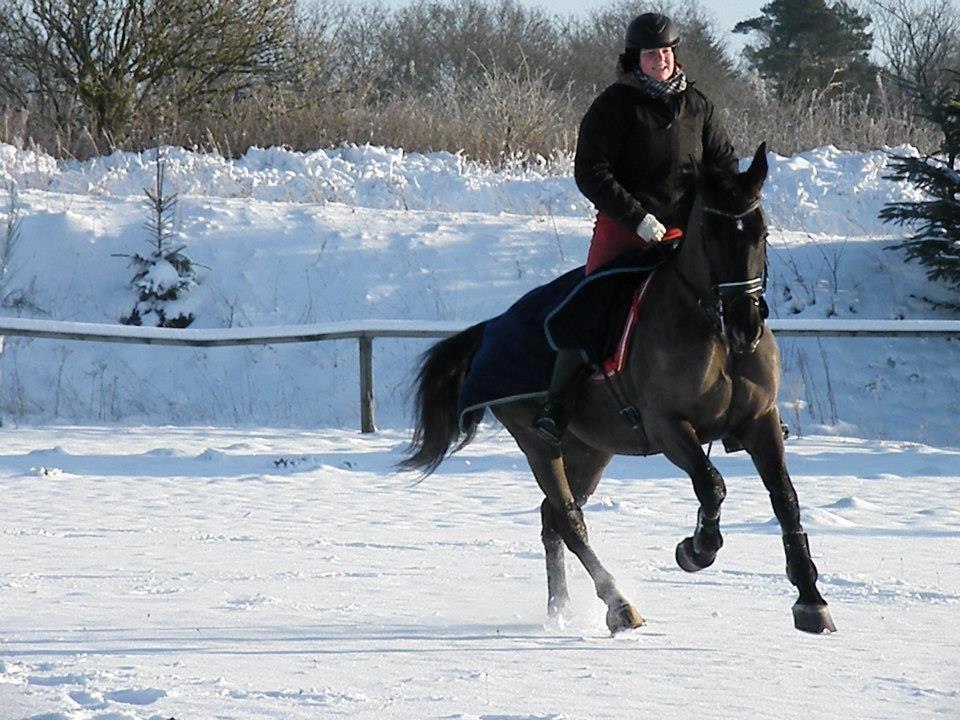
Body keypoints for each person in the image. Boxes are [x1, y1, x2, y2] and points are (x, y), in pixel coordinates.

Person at [532, 11, 738, 444]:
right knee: (594, 302)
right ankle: (559, 404)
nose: (660, 59)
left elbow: (722, 164)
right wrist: (638, 219)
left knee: (734, 292)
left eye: (665, 51)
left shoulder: (698, 105)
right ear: (636, 59)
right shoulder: (614, 105)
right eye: (651, 53)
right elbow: (590, 171)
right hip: (626, 230)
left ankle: (741, 406)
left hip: (684, 234)